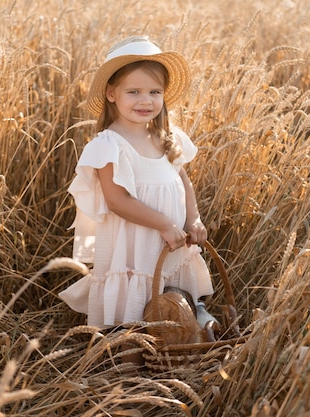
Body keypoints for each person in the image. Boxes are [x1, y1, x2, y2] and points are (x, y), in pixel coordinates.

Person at [59, 36, 215, 335]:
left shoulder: (165, 136)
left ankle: (175, 343)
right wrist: (163, 223)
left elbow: (182, 179)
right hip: (134, 242)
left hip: (171, 240)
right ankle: (128, 357)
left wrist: (192, 218)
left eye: (155, 92)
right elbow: (117, 200)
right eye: (134, 92)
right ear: (111, 94)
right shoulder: (109, 145)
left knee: (173, 304)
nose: (146, 100)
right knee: (133, 316)